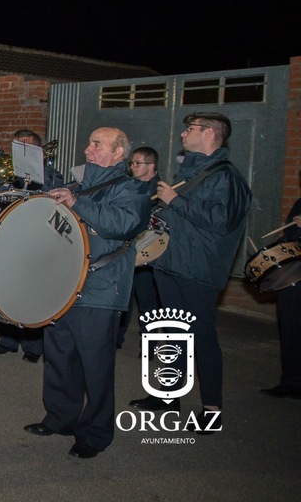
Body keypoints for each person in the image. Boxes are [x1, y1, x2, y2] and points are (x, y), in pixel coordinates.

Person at [24, 126, 150, 459]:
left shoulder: (132, 189)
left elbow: (122, 224)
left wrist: (77, 202)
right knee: (60, 355)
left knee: (95, 365)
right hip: (64, 285)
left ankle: (95, 433)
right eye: (89, 142)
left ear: (118, 152)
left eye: (97, 144)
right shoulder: (78, 185)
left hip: (101, 286)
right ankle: (60, 417)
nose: (88, 149)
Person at [129, 112, 252, 432]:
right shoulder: (193, 170)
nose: (183, 134)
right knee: (172, 333)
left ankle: (212, 410)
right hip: (171, 263)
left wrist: (176, 201)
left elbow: (223, 222)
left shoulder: (227, 177)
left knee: (202, 338)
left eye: (191, 129)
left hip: (198, 269)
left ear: (210, 133)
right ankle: (169, 396)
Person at [0, 129, 64, 363]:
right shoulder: (9, 175)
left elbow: (52, 202)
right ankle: (8, 340)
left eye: (27, 148)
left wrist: (35, 177)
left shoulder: (52, 175)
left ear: (39, 152)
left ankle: (34, 347)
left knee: (32, 293)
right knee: (9, 291)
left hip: (35, 240)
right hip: (10, 238)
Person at [116, 146, 162, 348]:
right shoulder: (128, 186)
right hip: (127, 249)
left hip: (147, 252)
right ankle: (116, 339)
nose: (133, 167)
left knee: (147, 299)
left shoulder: (161, 191)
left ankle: (150, 343)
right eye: (131, 163)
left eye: (137, 163)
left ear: (151, 165)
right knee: (122, 298)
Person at [261, 199, 301, 399]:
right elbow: (290, 238)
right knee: (290, 329)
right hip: (293, 275)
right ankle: (290, 382)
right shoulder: (300, 203)